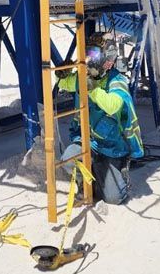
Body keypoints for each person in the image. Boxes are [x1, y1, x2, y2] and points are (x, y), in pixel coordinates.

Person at [57, 36, 144, 205]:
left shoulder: (117, 81)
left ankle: (121, 174)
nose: (90, 60)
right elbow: (65, 84)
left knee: (113, 198)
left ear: (108, 62)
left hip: (112, 147)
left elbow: (113, 105)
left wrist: (92, 89)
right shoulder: (85, 77)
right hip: (89, 141)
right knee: (68, 160)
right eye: (88, 54)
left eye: (94, 55)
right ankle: (85, 182)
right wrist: (62, 74)